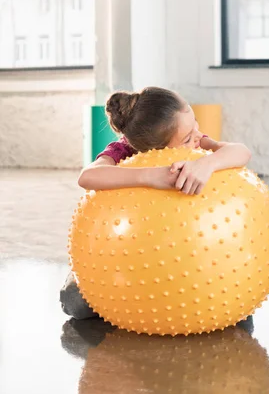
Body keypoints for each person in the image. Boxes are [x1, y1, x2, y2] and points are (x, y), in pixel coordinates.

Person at [61, 86, 251, 319]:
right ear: (155, 148)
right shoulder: (123, 151)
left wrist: (207, 164)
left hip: (178, 246)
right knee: (78, 304)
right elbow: (88, 176)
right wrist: (152, 175)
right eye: (188, 137)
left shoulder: (196, 141)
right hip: (123, 249)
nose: (198, 137)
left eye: (196, 126)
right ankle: (83, 281)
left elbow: (241, 152)